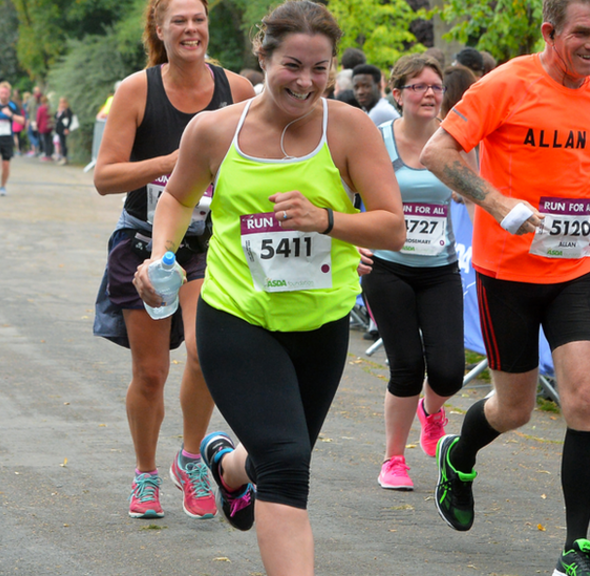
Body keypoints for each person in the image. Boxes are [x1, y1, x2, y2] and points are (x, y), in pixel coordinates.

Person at [132, 3, 403, 572]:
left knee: (280, 451)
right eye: (292, 65)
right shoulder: (214, 129)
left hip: (320, 324)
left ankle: (229, 468)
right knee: (286, 463)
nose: (305, 82)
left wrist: (327, 221)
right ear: (263, 55)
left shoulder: (349, 128)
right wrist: (161, 254)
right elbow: (179, 197)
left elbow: (392, 226)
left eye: (320, 69)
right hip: (237, 317)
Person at [419, 1, 590, 575]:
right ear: (551, 32)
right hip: (507, 275)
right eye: (582, 33)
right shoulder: (506, 84)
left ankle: (576, 550)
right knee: (515, 408)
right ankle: (460, 452)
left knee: (583, 398)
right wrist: (498, 203)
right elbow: (437, 152)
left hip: (576, 270)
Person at [93, 0, 255, 521]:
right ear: (159, 30)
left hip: (211, 242)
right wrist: (177, 163)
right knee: (150, 373)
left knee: (207, 355)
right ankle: (145, 475)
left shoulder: (239, 91)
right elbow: (105, 177)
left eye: (198, 19)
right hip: (145, 242)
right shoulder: (138, 90)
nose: (190, 28)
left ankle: (190, 458)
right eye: (179, 20)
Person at [362, 54, 465, 492]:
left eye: (436, 87)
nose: (429, 94)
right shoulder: (376, 140)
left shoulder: (456, 141)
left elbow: (477, 189)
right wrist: (355, 239)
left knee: (449, 371)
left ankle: (432, 409)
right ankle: (392, 459)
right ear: (398, 93)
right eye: (419, 86)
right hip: (387, 268)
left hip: (440, 268)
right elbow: (344, 192)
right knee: (405, 365)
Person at [0, 81, 24, 196]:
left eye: (6, 93)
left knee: (6, 165)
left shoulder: (13, 105)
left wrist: (10, 115)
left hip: (7, 138)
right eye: (2, 93)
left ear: (9, 93)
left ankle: (2, 186)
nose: (4, 95)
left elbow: (22, 120)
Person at [54, 96, 73, 165]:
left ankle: (64, 158)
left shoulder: (67, 110)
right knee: (60, 143)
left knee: (63, 143)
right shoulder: (60, 110)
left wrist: (67, 128)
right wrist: (58, 110)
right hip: (59, 129)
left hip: (63, 129)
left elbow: (70, 120)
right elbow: (56, 117)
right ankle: (61, 156)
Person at [36, 93, 54, 160]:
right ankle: (50, 154)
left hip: (43, 126)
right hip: (49, 126)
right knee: (49, 140)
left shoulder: (40, 109)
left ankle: (46, 154)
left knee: (45, 141)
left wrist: (37, 126)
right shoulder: (49, 108)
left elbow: (38, 118)